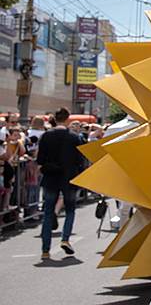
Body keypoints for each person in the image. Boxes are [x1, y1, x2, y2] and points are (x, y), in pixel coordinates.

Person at [36, 107, 86, 260]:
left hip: (51, 177)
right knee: (70, 209)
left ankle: (45, 250)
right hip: (68, 178)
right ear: (67, 119)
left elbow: (40, 160)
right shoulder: (74, 137)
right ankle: (65, 239)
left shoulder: (46, 136)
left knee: (48, 212)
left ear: (54, 118)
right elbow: (80, 160)